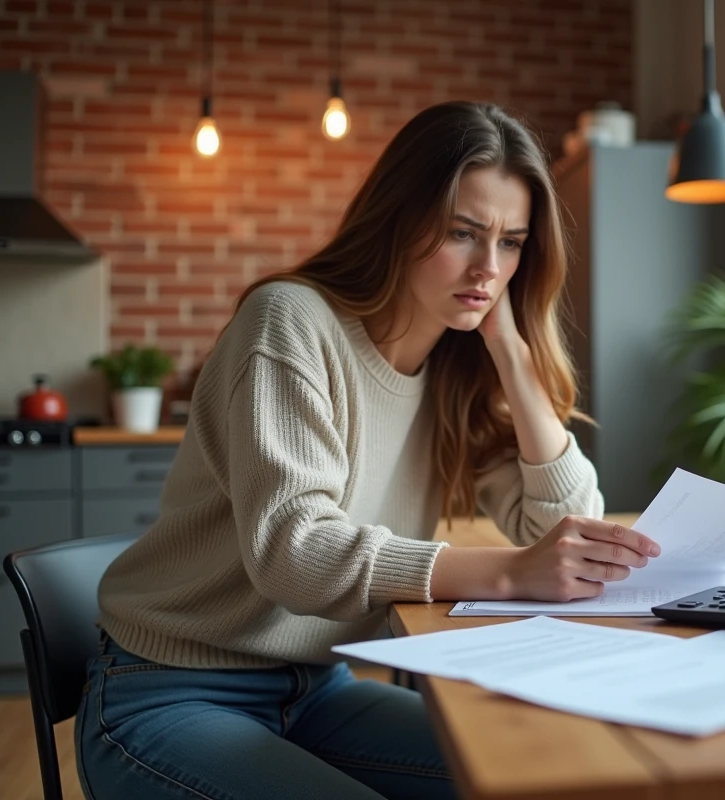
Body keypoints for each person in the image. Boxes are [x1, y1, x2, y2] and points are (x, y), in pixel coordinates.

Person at [75, 101, 663, 800]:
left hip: (319, 689)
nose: (488, 268)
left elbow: (559, 526)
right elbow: (293, 552)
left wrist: (510, 348)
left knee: (546, 781)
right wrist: (509, 575)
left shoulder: (457, 363)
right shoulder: (292, 323)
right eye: (463, 233)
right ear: (398, 221)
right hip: (168, 693)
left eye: (511, 242)